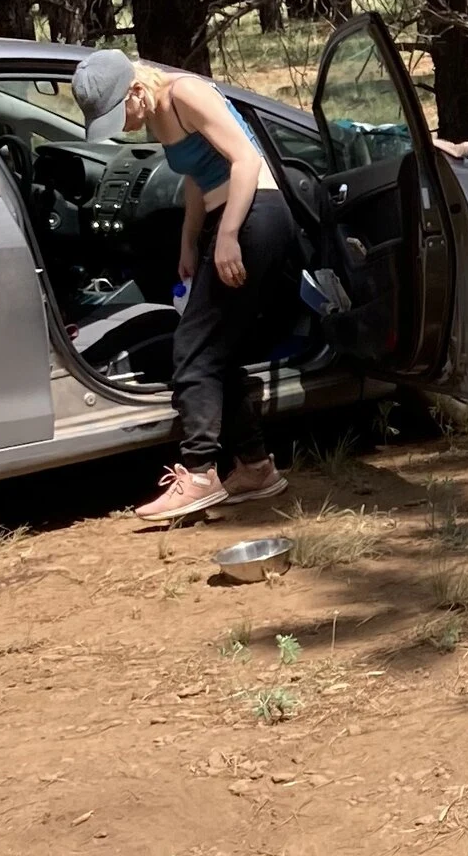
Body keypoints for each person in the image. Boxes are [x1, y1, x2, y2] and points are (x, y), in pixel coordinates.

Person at [72, 51, 300, 528]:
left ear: (136, 89)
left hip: (255, 215)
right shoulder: (159, 113)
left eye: (120, 112)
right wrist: (190, 241)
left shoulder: (186, 94)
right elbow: (200, 177)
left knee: (192, 349)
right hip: (229, 217)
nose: (122, 125)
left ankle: (198, 474)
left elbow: (244, 160)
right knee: (219, 347)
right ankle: (255, 467)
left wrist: (230, 236)